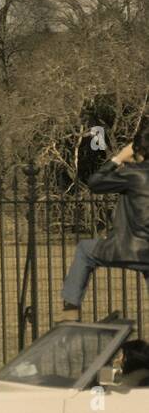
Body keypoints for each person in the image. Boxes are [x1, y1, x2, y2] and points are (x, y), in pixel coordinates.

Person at [57, 128, 149, 322]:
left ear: (137, 150)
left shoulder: (132, 174)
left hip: (125, 249)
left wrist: (118, 159)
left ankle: (70, 310)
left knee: (84, 250)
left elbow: (94, 182)